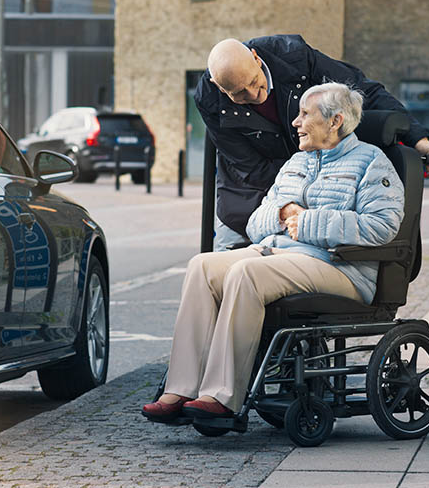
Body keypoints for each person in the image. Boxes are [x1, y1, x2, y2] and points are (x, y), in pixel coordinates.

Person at [142, 82, 405, 422]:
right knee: (202, 267)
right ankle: (180, 389)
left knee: (246, 273)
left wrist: (309, 222)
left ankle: (221, 396)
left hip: (341, 267)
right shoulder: (297, 162)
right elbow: (255, 224)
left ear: (335, 121)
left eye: (305, 114)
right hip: (279, 254)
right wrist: (283, 214)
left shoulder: (371, 163)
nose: (295, 122)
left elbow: (383, 226)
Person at [196, 35, 429, 251]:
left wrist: (420, 140)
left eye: (255, 82)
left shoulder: (293, 57)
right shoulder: (209, 98)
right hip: (252, 190)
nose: (254, 95)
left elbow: (364, 90)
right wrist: (289, 203)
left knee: (270, 271)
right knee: (223, 264)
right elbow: (250, 167)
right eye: (239, 94)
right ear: (219, 88)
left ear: (256, 58)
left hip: (315, 179)